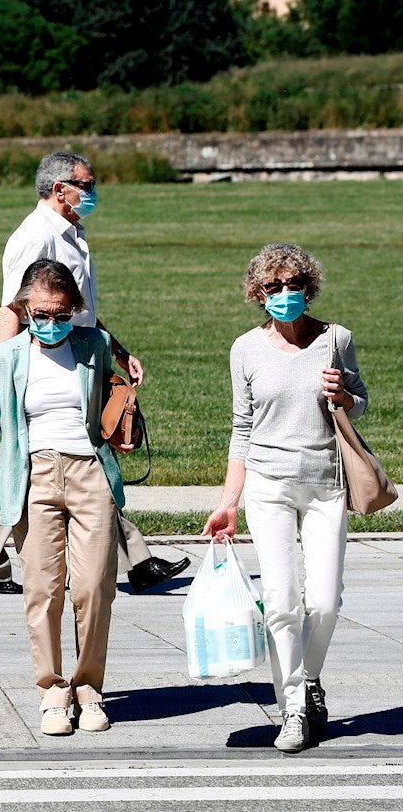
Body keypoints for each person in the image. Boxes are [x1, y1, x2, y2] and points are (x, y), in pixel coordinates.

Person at [0, 151, 188, 596]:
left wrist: (118, 351)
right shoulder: (35, 237)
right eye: (86, 184)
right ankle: (136, 561)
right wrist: (6, 366)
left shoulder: (71, 234)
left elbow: (78, 311)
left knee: (34, 454)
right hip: (47, 360)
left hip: (81, 353)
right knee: (72, 448)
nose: (92, 191)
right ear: (59, 188)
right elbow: (12, 307)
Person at [203, 242, 367, 754]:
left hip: (326, 482)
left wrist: (343, 396)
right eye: (273, 287)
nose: (284, 294)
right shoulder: (245, 349)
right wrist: (229, 500)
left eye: (294, 285)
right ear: (257, 293)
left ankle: (308, 677)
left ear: (309, 287)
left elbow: (360, 403)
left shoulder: (336, 339)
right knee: (280, 601)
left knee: (322, 600)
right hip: (268, 487)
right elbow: (241, 428)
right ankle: (292, 708)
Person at [0, 259, 128, 736]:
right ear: (24, 309)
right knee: (42, 590)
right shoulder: (4, 358)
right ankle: (53, 692)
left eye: (60, 313)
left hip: (90, 471)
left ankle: (89, 688)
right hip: (32, 477)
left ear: (73, 309)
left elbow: (117, 394)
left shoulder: (92, 345)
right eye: (40, 314)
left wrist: (125, 412)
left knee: (94, 587)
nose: (50, 323)